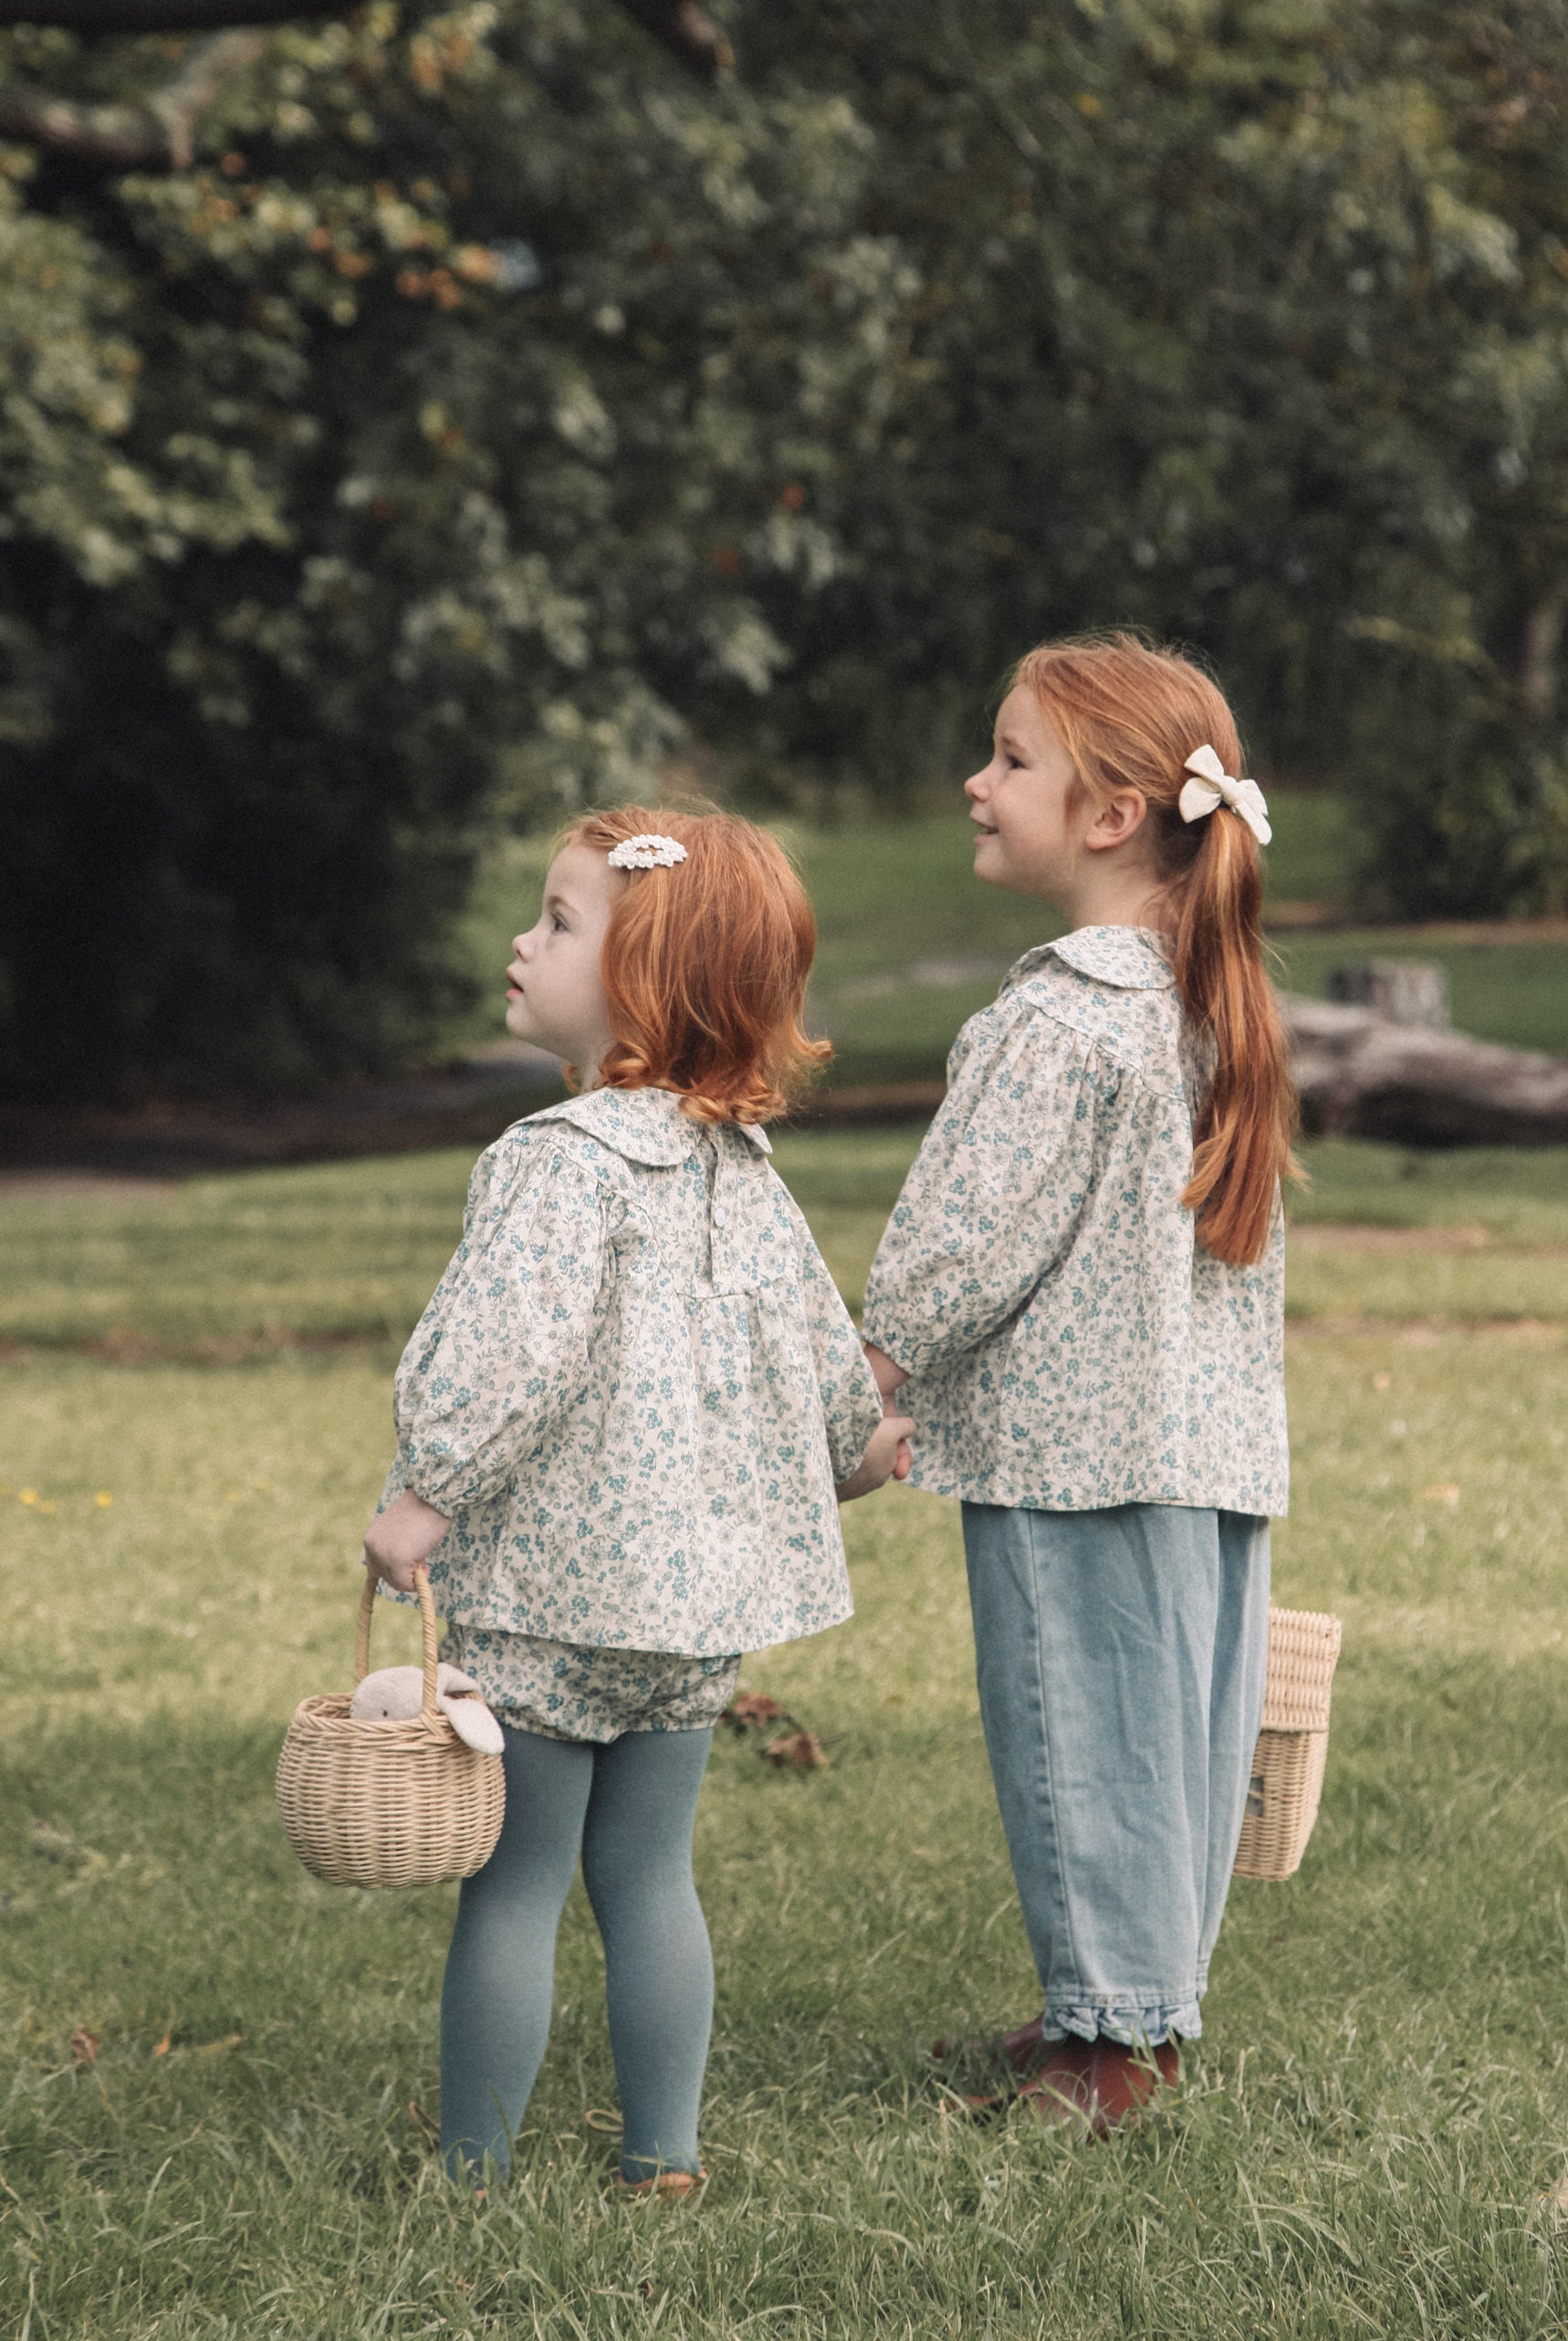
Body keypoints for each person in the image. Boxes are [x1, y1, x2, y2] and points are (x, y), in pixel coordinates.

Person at [364, 807, 914, 2195]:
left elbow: (507, 1359)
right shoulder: (749, 1175)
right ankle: (663, 2156)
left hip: (549, 1604)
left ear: (646, 982)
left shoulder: (557, 1159)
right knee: (651, 1879)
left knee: (517, 1882)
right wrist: (860, 1446)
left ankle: (475, 2169)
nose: (521, 939)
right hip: (690, 1626)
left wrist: (424, 1498)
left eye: (557, 921)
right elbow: (819, 1357)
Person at [862, 632, 1298, 2136]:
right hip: (1205, 1452)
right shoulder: (1204, 999)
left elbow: (961, 1244)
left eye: (1011, 760)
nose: (978, 785)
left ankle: (1107, 2060)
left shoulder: (1059, 1017)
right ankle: (1133, 2018)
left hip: (1075, 1454)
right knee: (1166, 1744)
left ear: (1112, 814)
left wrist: (875, 1365)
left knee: (1076, 1733)